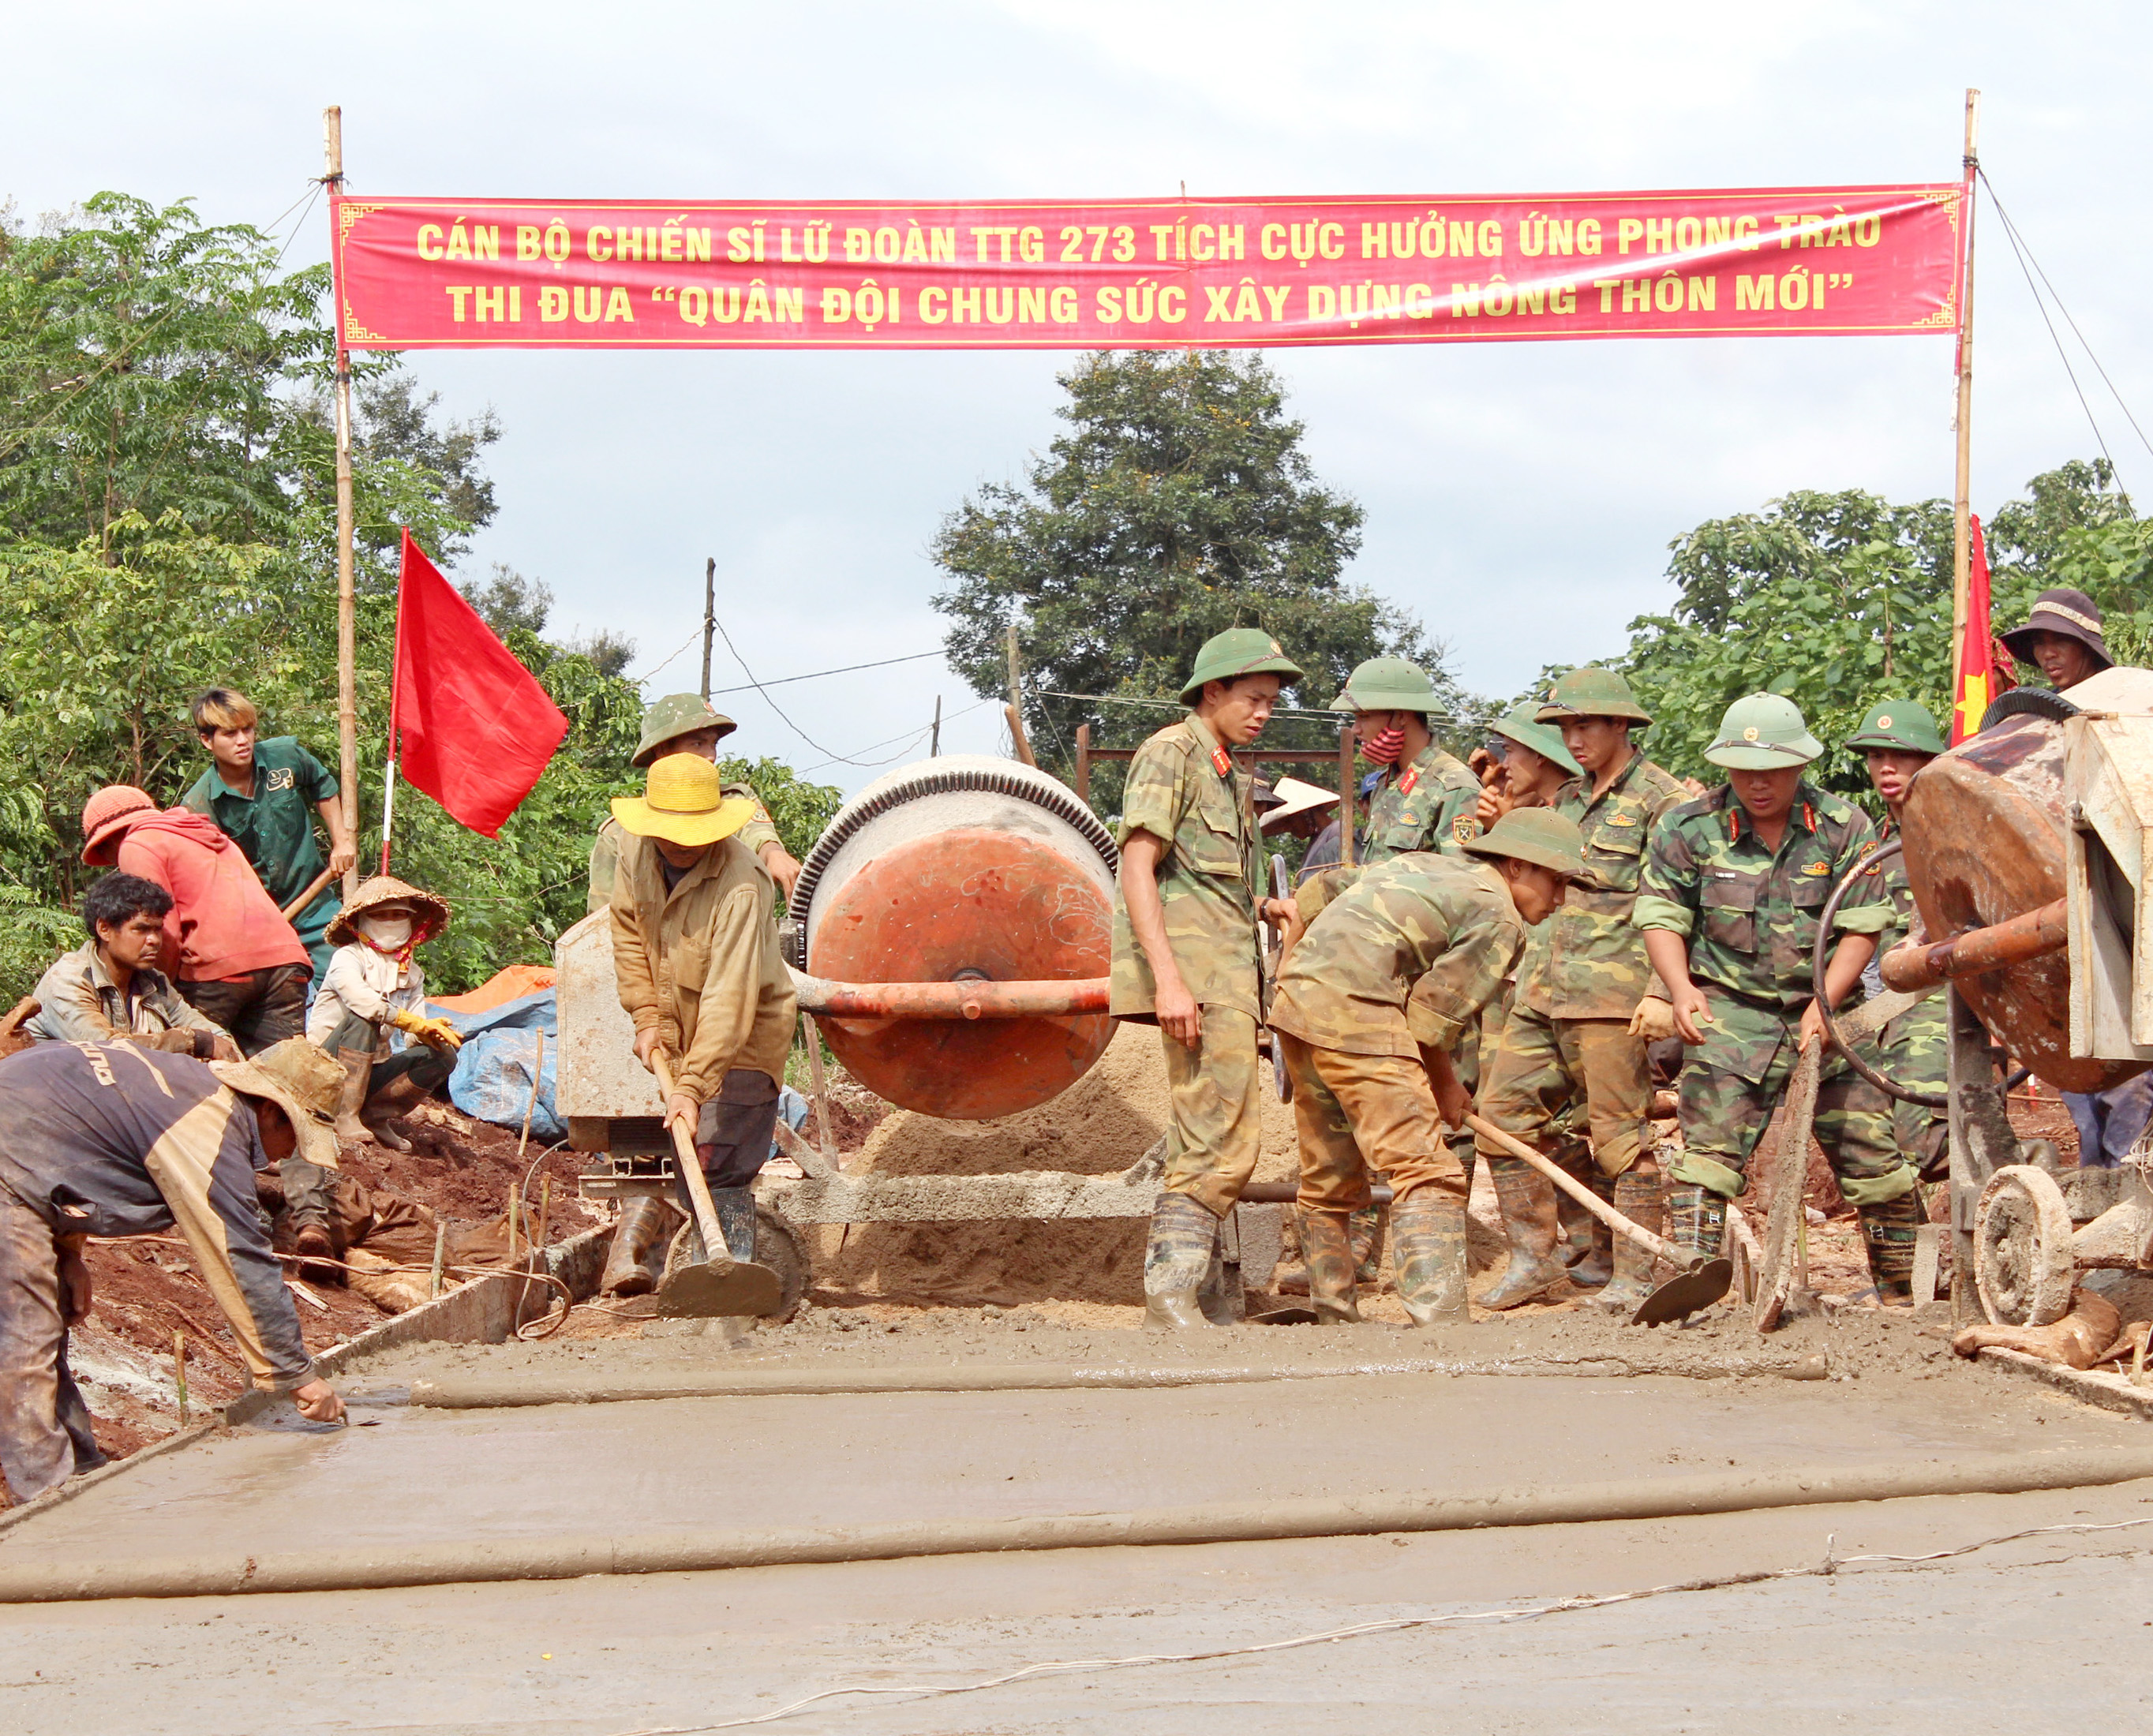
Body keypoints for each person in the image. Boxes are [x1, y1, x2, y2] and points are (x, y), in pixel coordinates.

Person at [1635, 694, 1921, 1303]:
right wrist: (1682, 990)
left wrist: (1825, 1001)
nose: (1757, 783)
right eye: (1742, 769)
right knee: (1706, 1157)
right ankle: (1691, 1286)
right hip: (1730, 1010)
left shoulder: (1846, 827)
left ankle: (1906, 1294)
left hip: (1827, 1008)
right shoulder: (1688, 827)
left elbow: (1863, 924)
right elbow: (1661, 915)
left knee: (1872, 1153)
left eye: (1771, 770)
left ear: (1800, 766)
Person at [1270, 809, 1585, 1326]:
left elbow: (1317, 891)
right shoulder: (1500, 916)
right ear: (1514, 866)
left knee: (1328, 1176)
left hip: (1298, 1009)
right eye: (1556, 881)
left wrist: (1287, 970)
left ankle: (1333, 1314)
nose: (1559, 900)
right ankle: (1441, 1327)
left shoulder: (1429, 866)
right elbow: (1430, 1019)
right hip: (1358, 1007)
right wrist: (1445, 1084)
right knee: (1428, 1170)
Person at [0, 1036, 346, 1504]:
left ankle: (80, 1474)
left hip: (22, 1156)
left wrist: (69, 1253)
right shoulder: (207, 1128)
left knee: (44, 1326)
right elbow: (240, 1257)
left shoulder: (186, 1088)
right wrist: (296, 1374)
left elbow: (78, 1142)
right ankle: (47, 1511)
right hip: (9, 1174)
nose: (285, 1157)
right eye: (295, 1137)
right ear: (270, 1110)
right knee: (25, 1342)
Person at [1477, 668, 1689, 1313]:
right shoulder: (1562, 803)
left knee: (1621, 1140)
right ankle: (1534, 1259)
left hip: (1614, 999)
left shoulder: (1665, 801)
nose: (1574, 737)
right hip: (1540, 990)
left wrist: (1662, 991)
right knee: (1500, 1120)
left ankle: (1636, 1276)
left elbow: (1679, 903)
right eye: (1565, 726)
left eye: (1586, 724)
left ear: (1622, 725)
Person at [1112, 627, 1304, 1330]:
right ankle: (1169, 1296)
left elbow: (1202, 881)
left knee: (1224, 1133)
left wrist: (1262, 903)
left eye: (1271, 703)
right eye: (1252, 698)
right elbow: (1138, 867)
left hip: (1227, 977)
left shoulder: (1222, 769)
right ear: (1212, 692)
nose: (1264, 713)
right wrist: (1168, 980)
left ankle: (1181, 1292)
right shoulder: (1171, 753)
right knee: (1215, 1136)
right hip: (1196, 979)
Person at [609, 753, 799, 1268]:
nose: (682, 843)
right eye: (671, 832)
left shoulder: (743, 883)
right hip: (681, 1035)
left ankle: (732, 1275)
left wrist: (692, 1089)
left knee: (718, 1159)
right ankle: (710, 1264)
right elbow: (628, 933)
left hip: (744, 1037)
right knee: (688, 1161)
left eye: (694, 833)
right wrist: (646, 1016)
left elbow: (730, 995)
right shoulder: (635, 852)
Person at [81, 785, 313, 1056]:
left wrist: (155, 989)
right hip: (286, 961)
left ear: (108, 840)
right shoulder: (210, 835)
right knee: (283, 1079)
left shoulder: (136, 844)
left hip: (217, 970)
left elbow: (161, 932)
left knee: (185, 1073)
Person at [180, 687, 358, 985]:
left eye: (247, 729)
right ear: (206, 740)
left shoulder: (284, 757)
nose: (243, 741)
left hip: (315, 902)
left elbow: (322, 784)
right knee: (279, 996)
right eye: (230, 733)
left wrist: (341, 841)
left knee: (349, 975)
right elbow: (206, 879)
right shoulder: (200, 804)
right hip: (257, 923)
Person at [1843, 700, 1950, 1182]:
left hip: (1945, 1004)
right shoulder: (1873, 844)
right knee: (1886, 1147)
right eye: (1874, 757)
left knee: (1928, 1140)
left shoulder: (1955, 832)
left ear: (1928, 759)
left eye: (1901, 756)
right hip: (1883, 1008)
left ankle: (2031, 1171)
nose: (1886, 768)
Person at [588, 694, 802, 913]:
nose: (710, 755)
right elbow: (603, 919)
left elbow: (757, 834)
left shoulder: (731, 803)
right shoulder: (620, 833)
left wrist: (774, 854)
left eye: (713, 744)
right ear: (662, 750)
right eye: (698, 744)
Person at [305, 877, 463, 1150]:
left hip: (372, 1068)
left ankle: (374, 1115)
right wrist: (407, 1021)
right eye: (381, 915)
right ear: (362, 922)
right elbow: (361, 1000)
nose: (391, 921)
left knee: (442, 1056)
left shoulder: (412, 973)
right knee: (365, 1017)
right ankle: (344, 1114)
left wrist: (428, 1031)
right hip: (325, 1066)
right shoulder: (348, 957)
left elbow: (414, 1028)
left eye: (399, 915)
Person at [24, 873, 238, 1058]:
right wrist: (194, 1042)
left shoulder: (153, 982)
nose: (154, 940)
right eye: (141, 929)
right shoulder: (69, 980)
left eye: (157, 930)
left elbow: (206, 1030)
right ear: (104, 929)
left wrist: (227, 1052)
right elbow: (107, 1048)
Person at [1333, 657, 1481, 859]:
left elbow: (1464, 879)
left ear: (1401, 716)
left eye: (1364, 717)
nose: (1355, 729)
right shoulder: (1385, 784)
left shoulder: (1454, 788)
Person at [1472, 702, 1582, 829]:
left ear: (1539, 756)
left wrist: (1507, 827)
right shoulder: (1546, 812)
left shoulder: (1575, 816)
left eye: (1509, 751)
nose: (1505, 764)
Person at [1999, 588, 2112, 694]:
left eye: (2060, 641)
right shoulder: (2040, 710)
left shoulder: (2121, 699)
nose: (2048, 654)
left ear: (2087, 647)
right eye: (2039, 643)